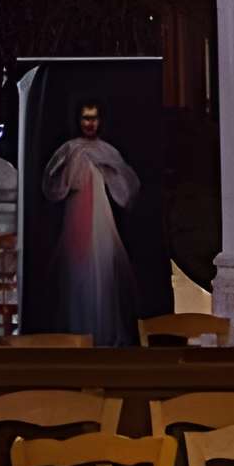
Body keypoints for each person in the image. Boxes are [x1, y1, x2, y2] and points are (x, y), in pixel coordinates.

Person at [41, 97, 140, 345]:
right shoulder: (69, 149)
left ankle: (103, 335)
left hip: (102, 222)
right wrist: (75, 164)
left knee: (104, 274)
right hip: (75, 220)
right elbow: (54, 186)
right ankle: (76, 334)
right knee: (76, 275)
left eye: (94, 118)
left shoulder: (107, 150)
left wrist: (107, 168)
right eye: (85, 118)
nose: (89, 123)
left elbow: (127, 188)